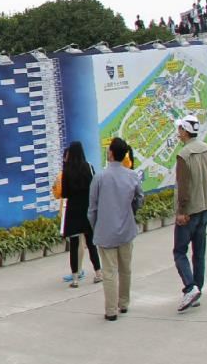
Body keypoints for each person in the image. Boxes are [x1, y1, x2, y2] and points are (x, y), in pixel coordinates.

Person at [89, 135, 143, 321]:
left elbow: (92, 209)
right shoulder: (132, 175)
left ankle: (111, 310)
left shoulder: (99, 177)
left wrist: (96, 227)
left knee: (109, 272)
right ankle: (124, 303)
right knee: (125, 269)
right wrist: (131, 212)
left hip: (105, 232)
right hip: (127, 229)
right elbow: (139, 199)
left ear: (111, 153)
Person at [172, 114, 207, 312]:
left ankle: (190, 288)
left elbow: (183, 186)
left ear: (185, 131)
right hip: (204, 207)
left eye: (180, 129)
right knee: (199, 253)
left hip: (189, 212)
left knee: (179, 252)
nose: (178, 132)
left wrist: (181, 211)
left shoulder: (184, 154)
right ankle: (197, 290)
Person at [54, 142, 101, 286]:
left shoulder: (66, 171)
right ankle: (98, 273)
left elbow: (64, 193)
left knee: (74, 246)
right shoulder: (89, 167)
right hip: (87, 209)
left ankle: (75, 278)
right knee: (91, 243)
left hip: (73, 211)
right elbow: (94, 187)